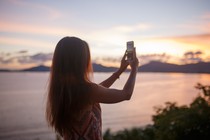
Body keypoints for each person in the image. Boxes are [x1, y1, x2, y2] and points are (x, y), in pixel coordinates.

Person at [46, 36, 139, 140]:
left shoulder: (63, 89)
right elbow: (126, 94)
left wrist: (120, 70)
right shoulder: (87, 90)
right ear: (80, 61)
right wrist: (134, 68)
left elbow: (99, 89)